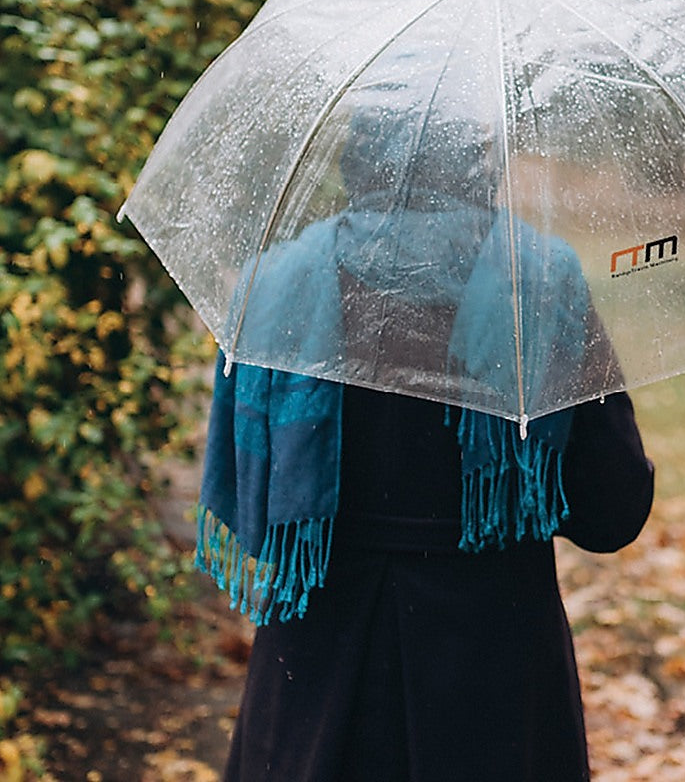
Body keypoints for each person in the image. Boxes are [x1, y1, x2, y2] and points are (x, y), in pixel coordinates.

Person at [195, 90, 656, 782]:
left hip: (318, 670)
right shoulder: (541, 282)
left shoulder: (275, 287)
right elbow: (612, 511)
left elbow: (248, 491)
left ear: (358, 158)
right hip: (494, 676)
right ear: (478, 162)